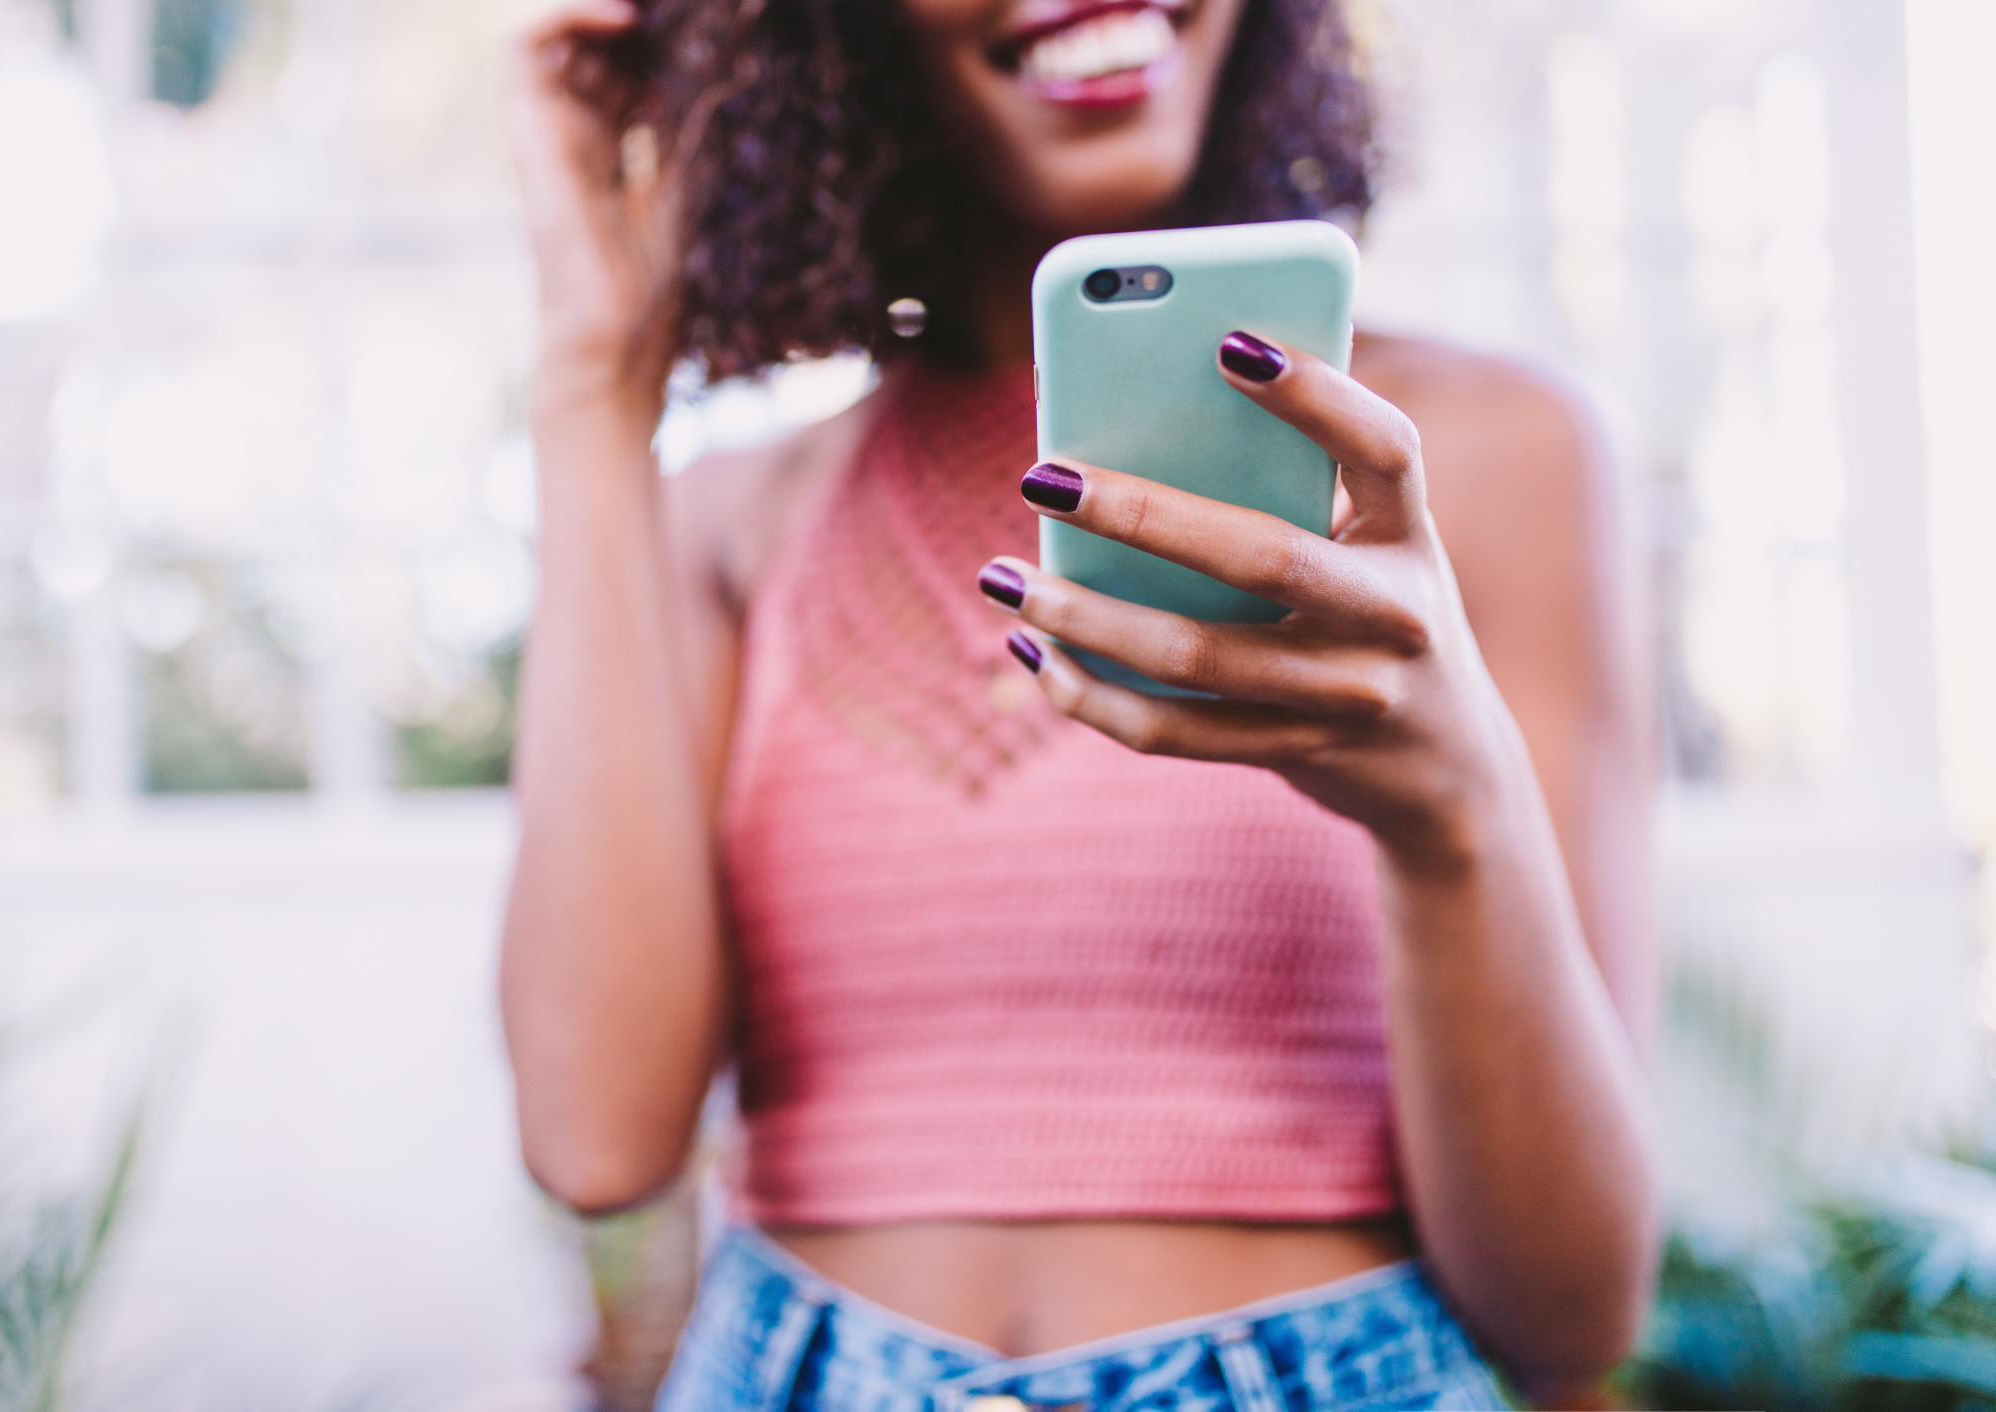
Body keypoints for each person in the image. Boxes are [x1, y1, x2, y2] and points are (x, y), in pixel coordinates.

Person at [499, 0, 1658, 1405]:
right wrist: (591, 383)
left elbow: (1571, 1311)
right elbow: (593, 1137)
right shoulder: (730, 520)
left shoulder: (1488, 456)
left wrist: (1444, 810)